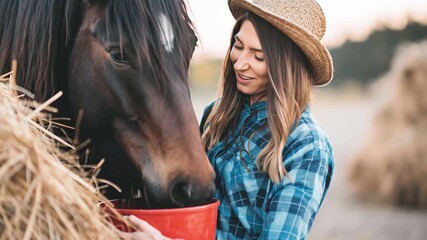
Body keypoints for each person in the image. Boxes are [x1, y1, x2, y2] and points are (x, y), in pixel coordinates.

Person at [119, 0, 334, 239]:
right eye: (238, 46)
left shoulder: (307, 146)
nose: (239, 63)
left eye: (258, 57)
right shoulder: (216, 115)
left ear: (286, 66)